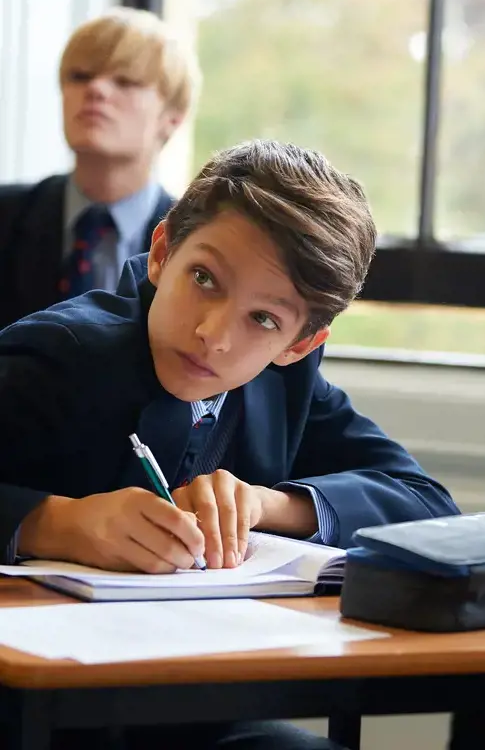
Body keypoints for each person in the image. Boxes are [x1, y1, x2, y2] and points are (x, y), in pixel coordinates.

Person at [0, 139, 459, 750]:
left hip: (190, 704)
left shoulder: (285, 382)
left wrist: (270, 505)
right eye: (205, 278)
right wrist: (48, 523)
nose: (213, 336)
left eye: (264, 319)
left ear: (298, 343)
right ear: (163, 252)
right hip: (35, 715)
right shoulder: (57, 356)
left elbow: (425, 503)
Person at [0, 6, 199, 330]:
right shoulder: (6, 216)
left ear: (172, 117)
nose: (96, 90)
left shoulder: (199, 244)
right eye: (80, 76)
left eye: (125, 81)